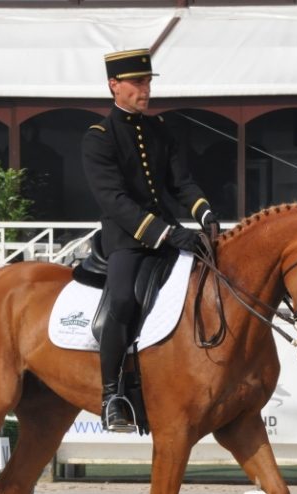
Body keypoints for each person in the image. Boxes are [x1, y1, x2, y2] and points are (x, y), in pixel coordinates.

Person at [82, 48, 220, 433]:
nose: (145, 89)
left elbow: (180, 182)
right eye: (137, 82)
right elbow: (114, 200)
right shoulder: (99, 138)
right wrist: (166, 233)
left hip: (169, 235)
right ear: (114, 85)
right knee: (123, 300)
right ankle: (112, 395)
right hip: (127, 240)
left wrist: (204, 213)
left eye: (147, 82)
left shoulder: (159, 130)